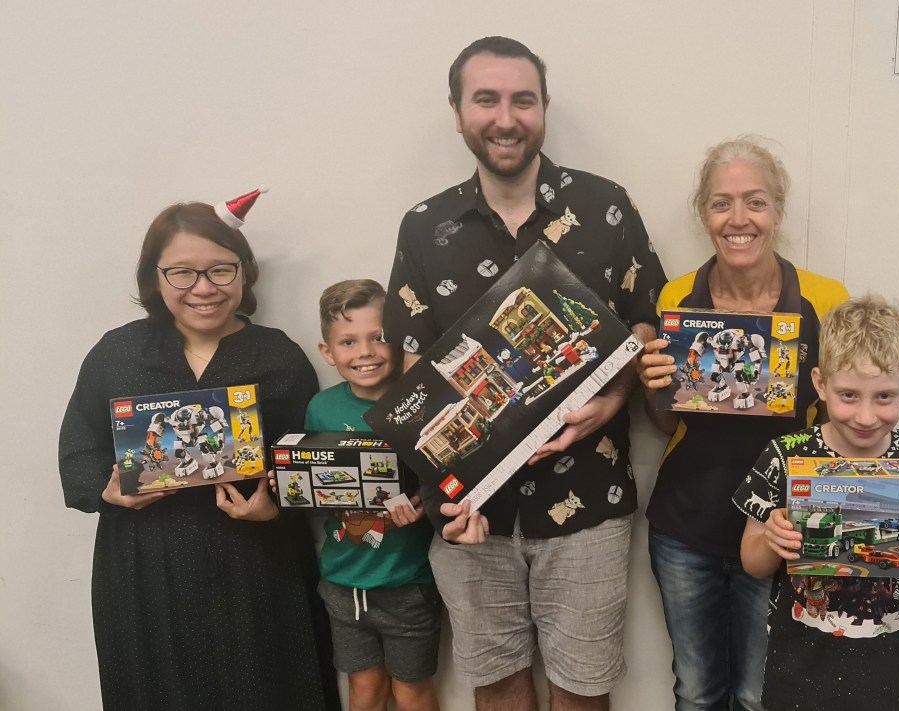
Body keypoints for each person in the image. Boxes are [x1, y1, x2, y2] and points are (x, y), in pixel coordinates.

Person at [383, 36, 667, 711]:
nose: (506, 118)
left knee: (583, 690)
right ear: (457, 111)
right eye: (486, 99)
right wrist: (442, 493)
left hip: (588, 498)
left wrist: (612, 400)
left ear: (545, 108)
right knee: (498, 688)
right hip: (469, 507)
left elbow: (646, 323)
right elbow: (415, 373)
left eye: (523, 100)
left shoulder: (606, 206)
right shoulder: (423, 227)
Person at [58, 196, 342, 711]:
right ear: (155, 277)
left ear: (243, 271)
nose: (204, 288)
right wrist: (109, 491)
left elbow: (306, 465)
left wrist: (274, 509)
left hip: (257, 563)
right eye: (182, 272)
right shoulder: (117, 354)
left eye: (220, 269)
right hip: (146, 564)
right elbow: (78, 450)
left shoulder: (279, 356)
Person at [637, 137, 849, 711]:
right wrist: (653, 384)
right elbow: (666, 423)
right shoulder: (678, 295)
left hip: (783, 529)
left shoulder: (826, 299)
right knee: (697, 692)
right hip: (687, 527)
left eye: (755, 202)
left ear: (777, 211)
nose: (738, 219)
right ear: (704, 214)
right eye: (721, 203)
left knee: (760, 695)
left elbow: (846, 423)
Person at [734, 294, 899, 709]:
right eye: (848, 395)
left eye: (884, 397)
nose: (866, 417)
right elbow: (752, 564)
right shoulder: (785, 455)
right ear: (820, 384)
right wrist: (773, 539)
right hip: (797, 675)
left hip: (887, 678)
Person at [306, 279, 440, 711]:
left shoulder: (421, 401)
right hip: (343, 580)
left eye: (379, 337)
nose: (365, 352)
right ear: (328, 352)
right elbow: (312, 483)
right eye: (348, 341)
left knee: (411, 691)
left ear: (399, 341)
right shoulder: (321, 408)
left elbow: (447, 479)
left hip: (408, 581)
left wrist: (427, 505)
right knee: (363, 690)